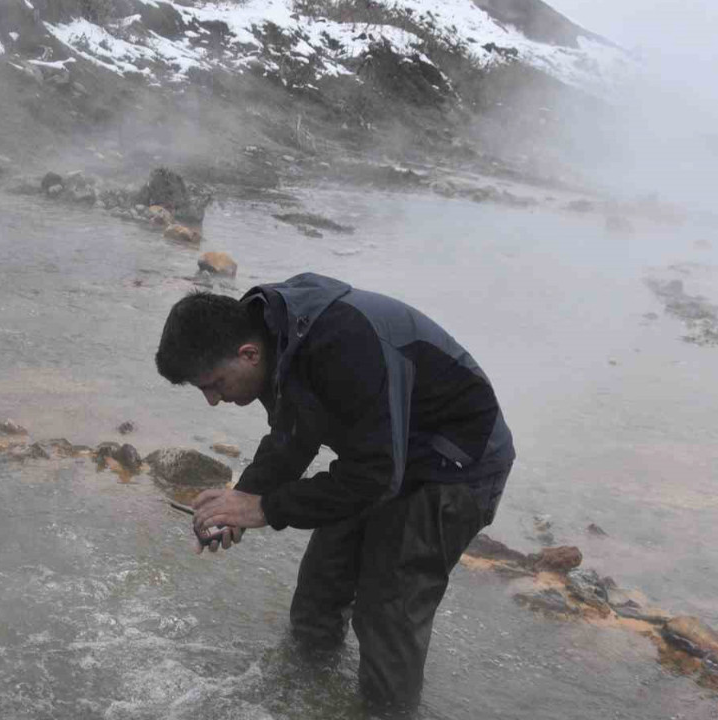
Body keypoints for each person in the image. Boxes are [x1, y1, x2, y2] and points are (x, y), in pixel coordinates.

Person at [154, 272, 514, 714]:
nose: (212, 400)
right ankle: (307, 695)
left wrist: (265, 507)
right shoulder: (276, 335)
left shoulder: (342, 344)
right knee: (321, 587)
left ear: (247, 355)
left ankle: (387, 711)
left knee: (387, 610)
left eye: (214, 384)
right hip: (386, 453)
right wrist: (242, 499)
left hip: (457, 465)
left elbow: (377, 477)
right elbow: (293, 435)